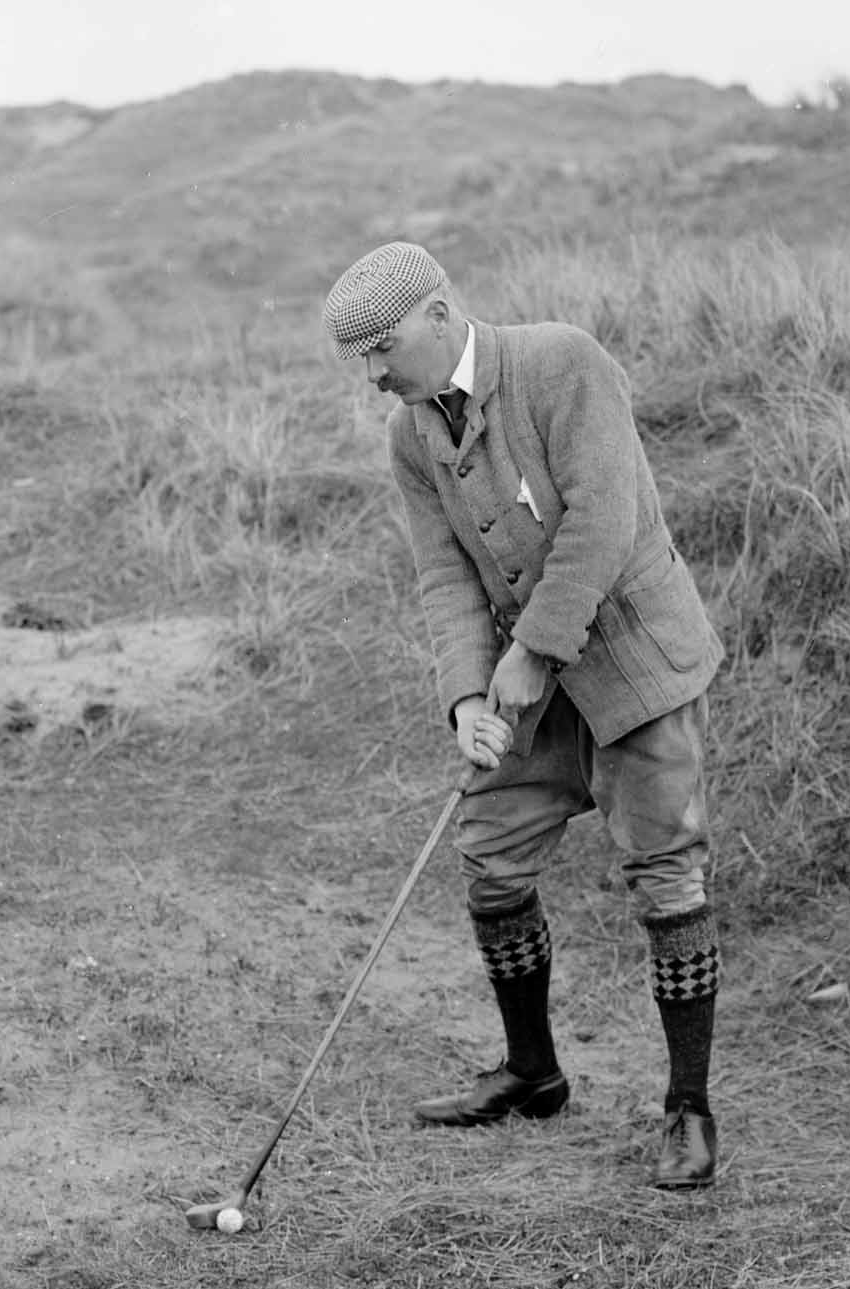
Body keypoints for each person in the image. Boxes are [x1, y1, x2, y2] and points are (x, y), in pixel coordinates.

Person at [322, 242, 725, 1189]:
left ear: (437, 313)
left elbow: (601, 521)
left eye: (382, 348)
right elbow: (444, 576)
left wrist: (532, 651)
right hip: (521, 684)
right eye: (361, 359)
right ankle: (533, 1072)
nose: (376, 374)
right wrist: (467, 694)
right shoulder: (410, 433)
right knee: (489, 858)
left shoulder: (561, 363)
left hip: (633, 665)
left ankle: (688, 1110)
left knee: (666, 878)